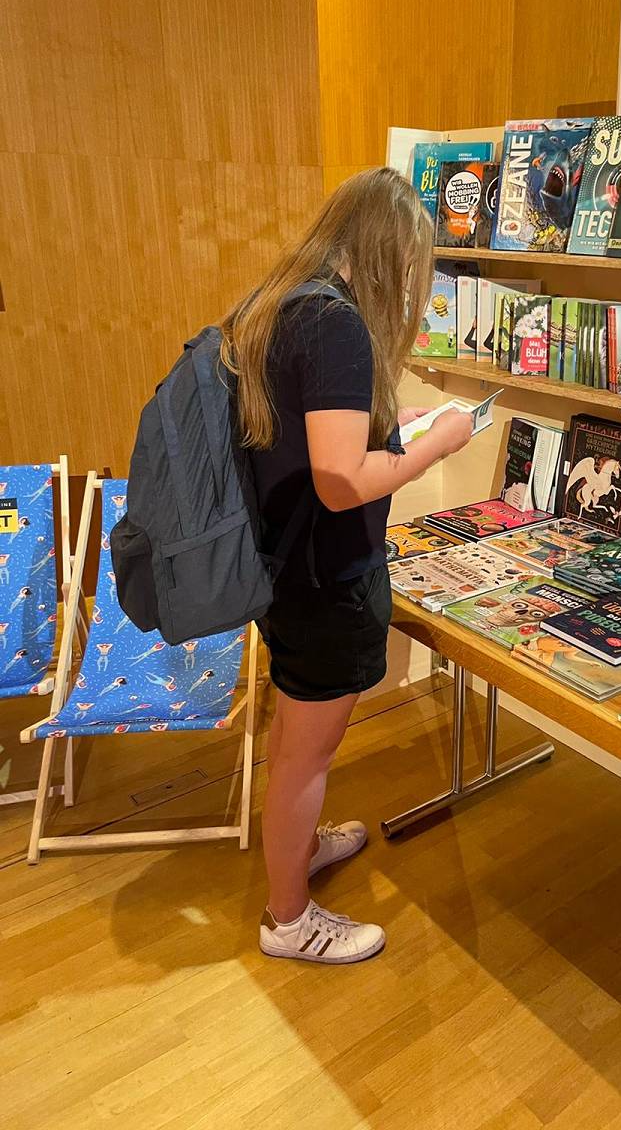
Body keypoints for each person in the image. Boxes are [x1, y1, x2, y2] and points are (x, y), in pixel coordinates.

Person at [220, 168, 473, 964]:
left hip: (286, 565)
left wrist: (398, 429)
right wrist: (438, 444)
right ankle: (289, 921)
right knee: (306, 755)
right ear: (388, 251)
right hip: (325, 576)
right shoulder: (337, 326)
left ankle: (299, 852)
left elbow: (309, 440)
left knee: (296, 739)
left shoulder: (280, 305)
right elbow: (339, 481)